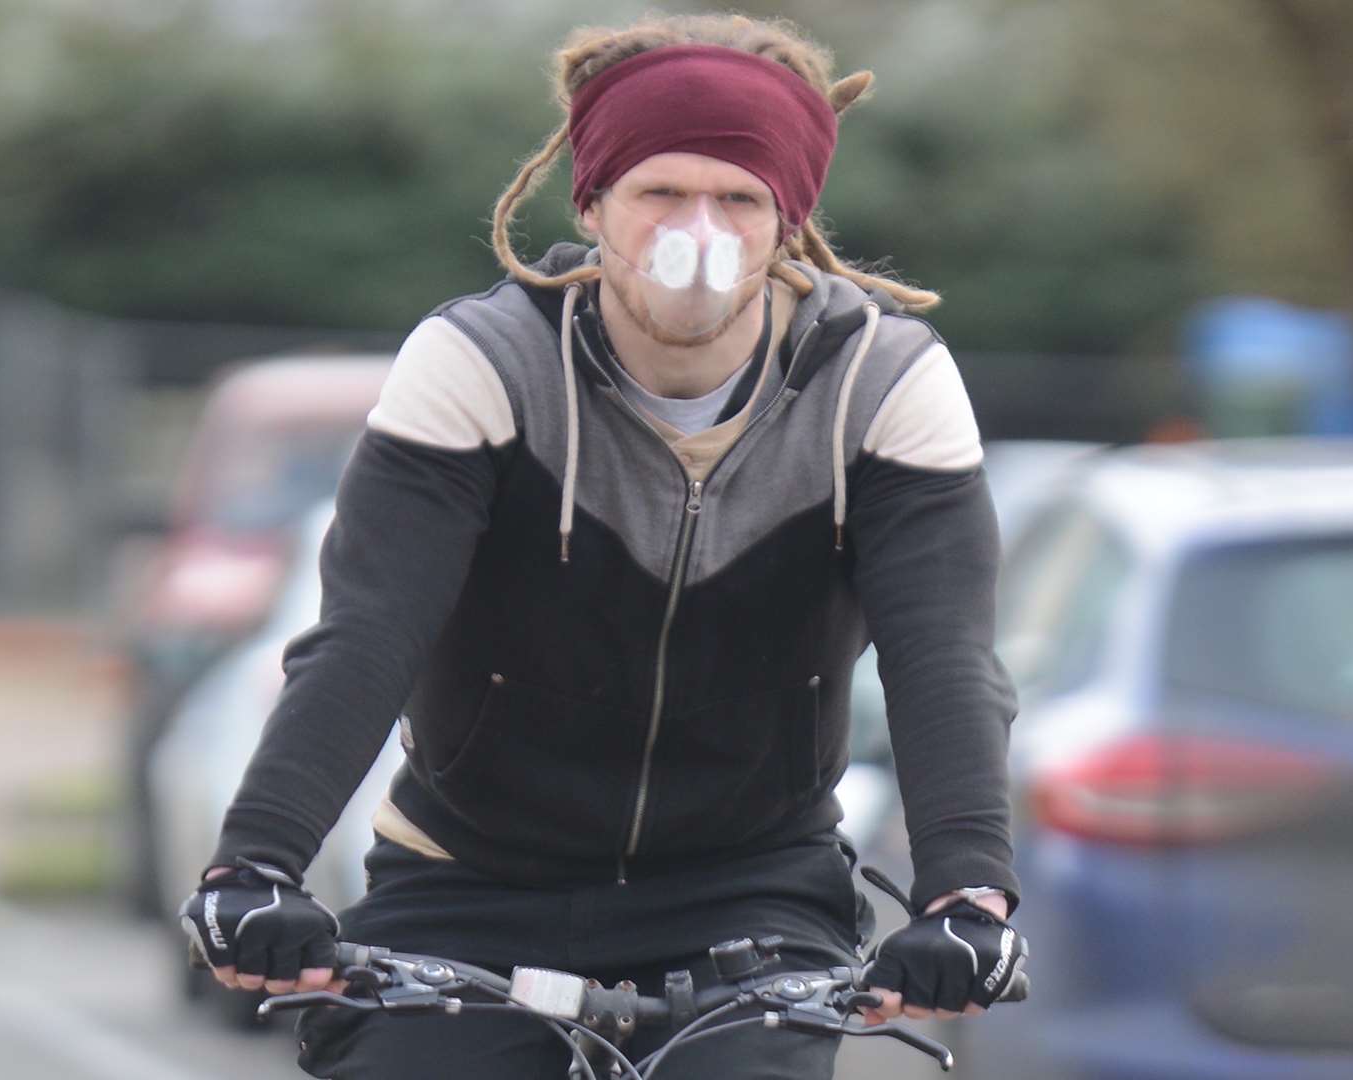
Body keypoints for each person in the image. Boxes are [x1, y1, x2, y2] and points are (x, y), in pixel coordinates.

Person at [179, 13, 1026, 1079]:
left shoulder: (884, 386)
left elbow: (943, 658)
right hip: (472, 881)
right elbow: (366, 633)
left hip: (750, 891)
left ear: (788, 224)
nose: (699, 231)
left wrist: (967, 893)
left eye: (738, 198)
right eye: (661, 192)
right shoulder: (479, 362)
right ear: (593, 203)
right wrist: (254, 865)